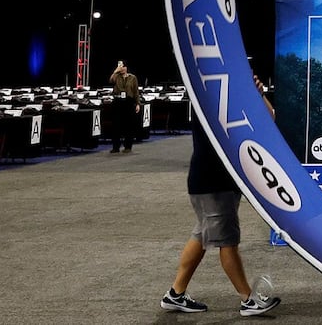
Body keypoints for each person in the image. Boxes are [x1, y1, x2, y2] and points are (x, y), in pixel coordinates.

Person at [161, 73, 281, 317]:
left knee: (201, 236)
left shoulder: (229, 98)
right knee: (227, 241)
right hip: (212, 181)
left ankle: (175, 294)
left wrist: (258, 94)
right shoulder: (210, 100)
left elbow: (271, 118)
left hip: (217, 180)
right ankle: (248, 299)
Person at [108, 60, 140, 153]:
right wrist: (115, 71)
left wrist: (138, 103)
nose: (121, 68)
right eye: (119, 66)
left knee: (128, 125)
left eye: (122, 66)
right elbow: (111, 81)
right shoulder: (116, 76)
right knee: (116, 125)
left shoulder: (133, 77)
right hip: (118, 102)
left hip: (129, 102)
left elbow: (136, 91)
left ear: (126, 67)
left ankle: (128, 147)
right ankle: (115, 147)